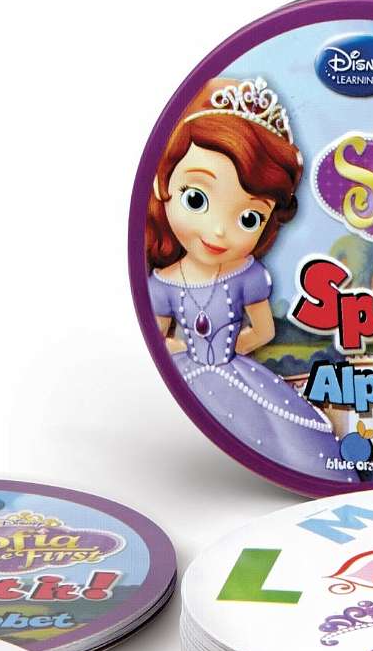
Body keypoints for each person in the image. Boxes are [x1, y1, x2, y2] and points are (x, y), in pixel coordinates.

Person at [146, 77, 345, 480]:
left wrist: (227, 349)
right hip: (187, 381)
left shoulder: (246, 275)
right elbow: (159, 337)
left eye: (249, 218)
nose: (219, 231)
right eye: (196, 199)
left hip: (235, 374)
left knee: (281, 437)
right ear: (162, 182)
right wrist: (185, 350)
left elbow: (264, 330)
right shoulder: (163, 283)